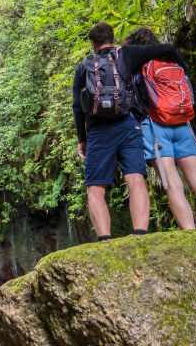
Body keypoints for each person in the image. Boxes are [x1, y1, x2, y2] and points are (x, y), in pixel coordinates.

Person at [72, 22, 186, 241]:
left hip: (97, 131)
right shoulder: (126, 55)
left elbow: (77, 106)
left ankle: (105, 239)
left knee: (95, 187)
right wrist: (183, 72)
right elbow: (167, 49)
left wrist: (82, 139)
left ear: (93, 44)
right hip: (128, 125)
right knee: (135, 178)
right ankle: (140, 234)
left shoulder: (84, 66)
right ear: (112, 38)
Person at [125, 27, 196, 230]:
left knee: (172, 184)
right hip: (183, 125)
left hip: (155, 126)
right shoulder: (173, 62)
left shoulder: (138, 66)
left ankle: (190, 233)